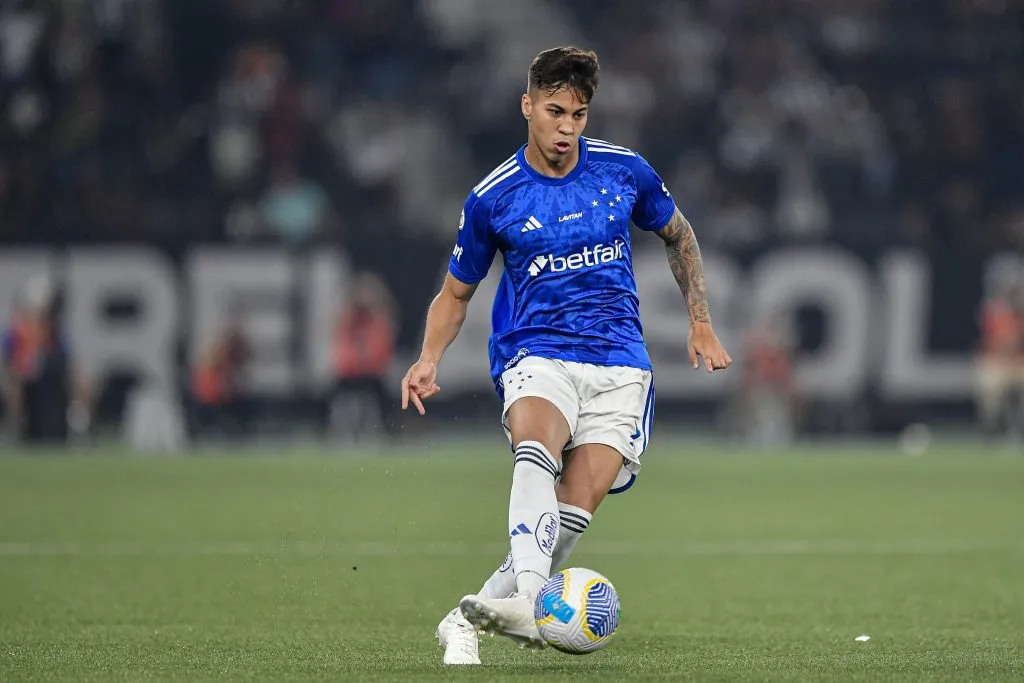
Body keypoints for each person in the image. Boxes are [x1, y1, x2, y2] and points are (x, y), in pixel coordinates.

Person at [400, 47, 732, 665]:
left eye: (579, 114)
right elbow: (455, 293)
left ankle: (462, 620)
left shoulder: (623, 171)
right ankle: (529, 600)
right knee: (536, 451)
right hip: (537, 352)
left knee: (567, 520)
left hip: (620, 365)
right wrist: (428, 358)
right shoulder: (493, 197)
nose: (567, 127)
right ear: (527, 106)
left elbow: (679, 233)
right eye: (554, 111)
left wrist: (701, 323)